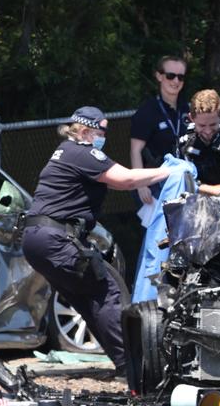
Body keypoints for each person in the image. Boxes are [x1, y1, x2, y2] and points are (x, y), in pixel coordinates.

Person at [22, 106, 170, 378]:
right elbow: (124, 180)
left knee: (87, 298)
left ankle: (128, 367)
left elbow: (112, 181)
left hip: (36, 240)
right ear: (87, 129)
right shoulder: (82, 151)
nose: (104, 136)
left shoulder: (65, 153)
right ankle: (141, 371)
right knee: (108, 291)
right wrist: (165, 172)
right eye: (102, 130)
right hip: (54, 238)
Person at [130, 55, 189, 204]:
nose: (176, 81)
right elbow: (135, 150)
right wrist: (141, 184)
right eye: (171, 76)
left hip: (183, 178)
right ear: (159, 76)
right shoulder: (147, 111)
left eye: (180, 77)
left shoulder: (186, 108)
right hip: (155, 183)